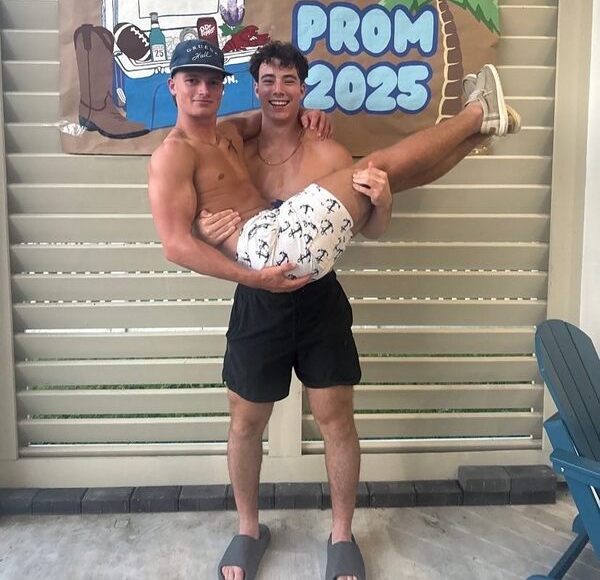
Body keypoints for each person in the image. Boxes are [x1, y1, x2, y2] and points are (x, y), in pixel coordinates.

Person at [148, 39, 520, 580]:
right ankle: (248, 530)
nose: (202, 90)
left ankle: (342, 535)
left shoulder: (231, 132)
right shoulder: (173, 153)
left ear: (226, 87)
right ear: (173, 86)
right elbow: (175, 245)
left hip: (312, 290)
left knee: (337, 418)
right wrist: (252, 275)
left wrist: (310, 118)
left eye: (211, 80)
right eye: (191, 80)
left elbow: (270, 120)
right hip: (261, 275)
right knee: (246, 423)